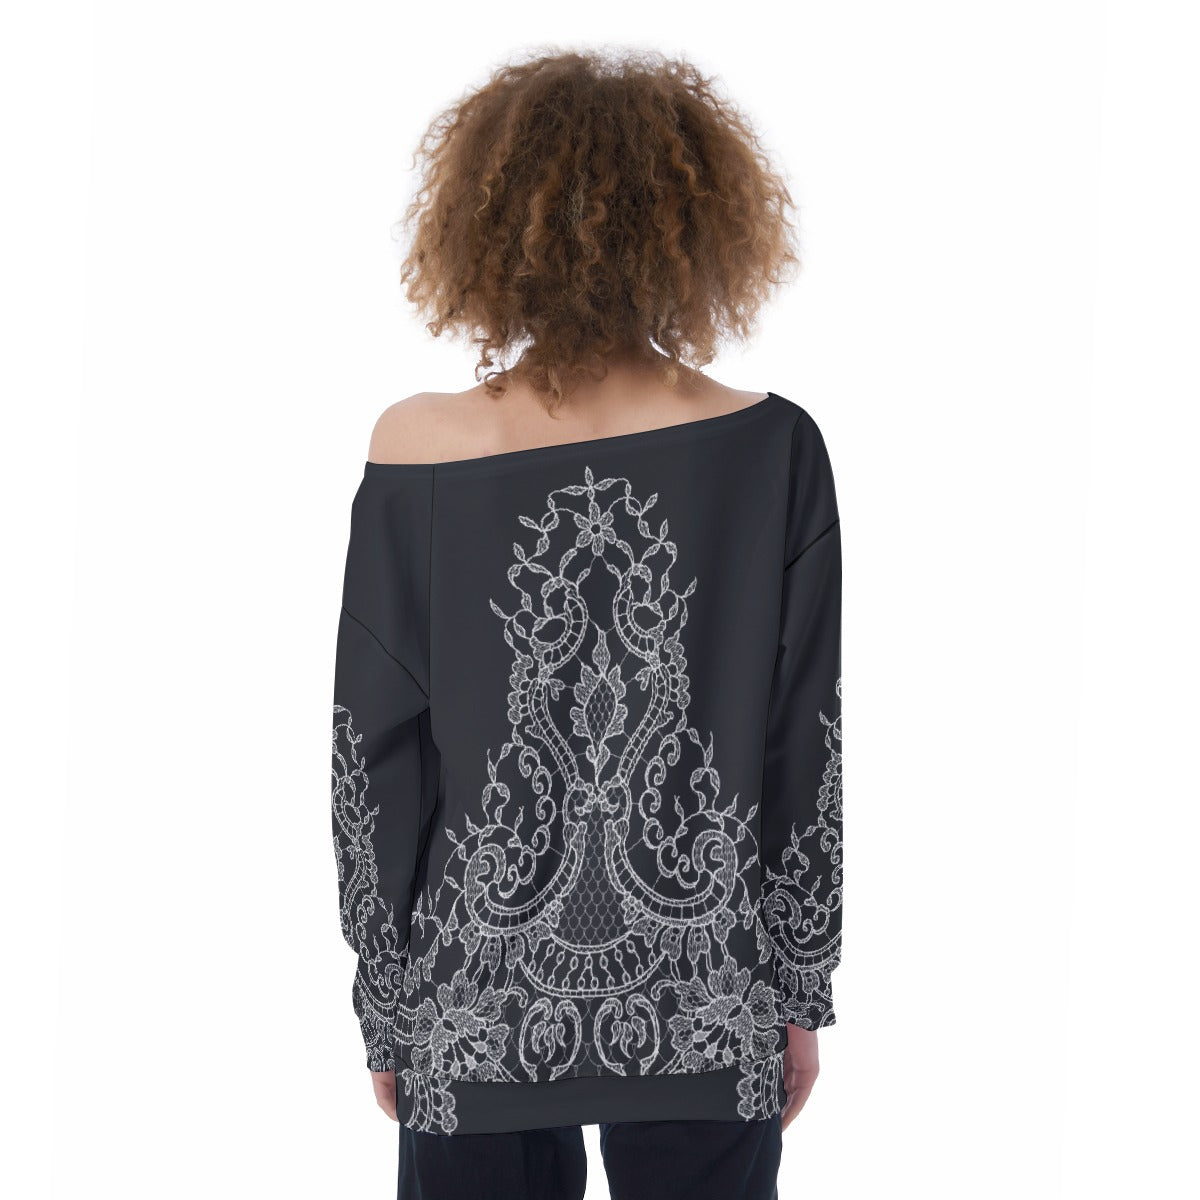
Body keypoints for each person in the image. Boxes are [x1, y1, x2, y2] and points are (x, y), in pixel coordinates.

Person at [329, 47, 843, 1200]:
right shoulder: (773, 447)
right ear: (696, 227)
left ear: (483, 225)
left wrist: (388, 1005)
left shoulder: (416, 447)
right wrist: (798, 991)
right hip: (707, 989)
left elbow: (374, 753)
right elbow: (803, 742)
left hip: (475, 1000)